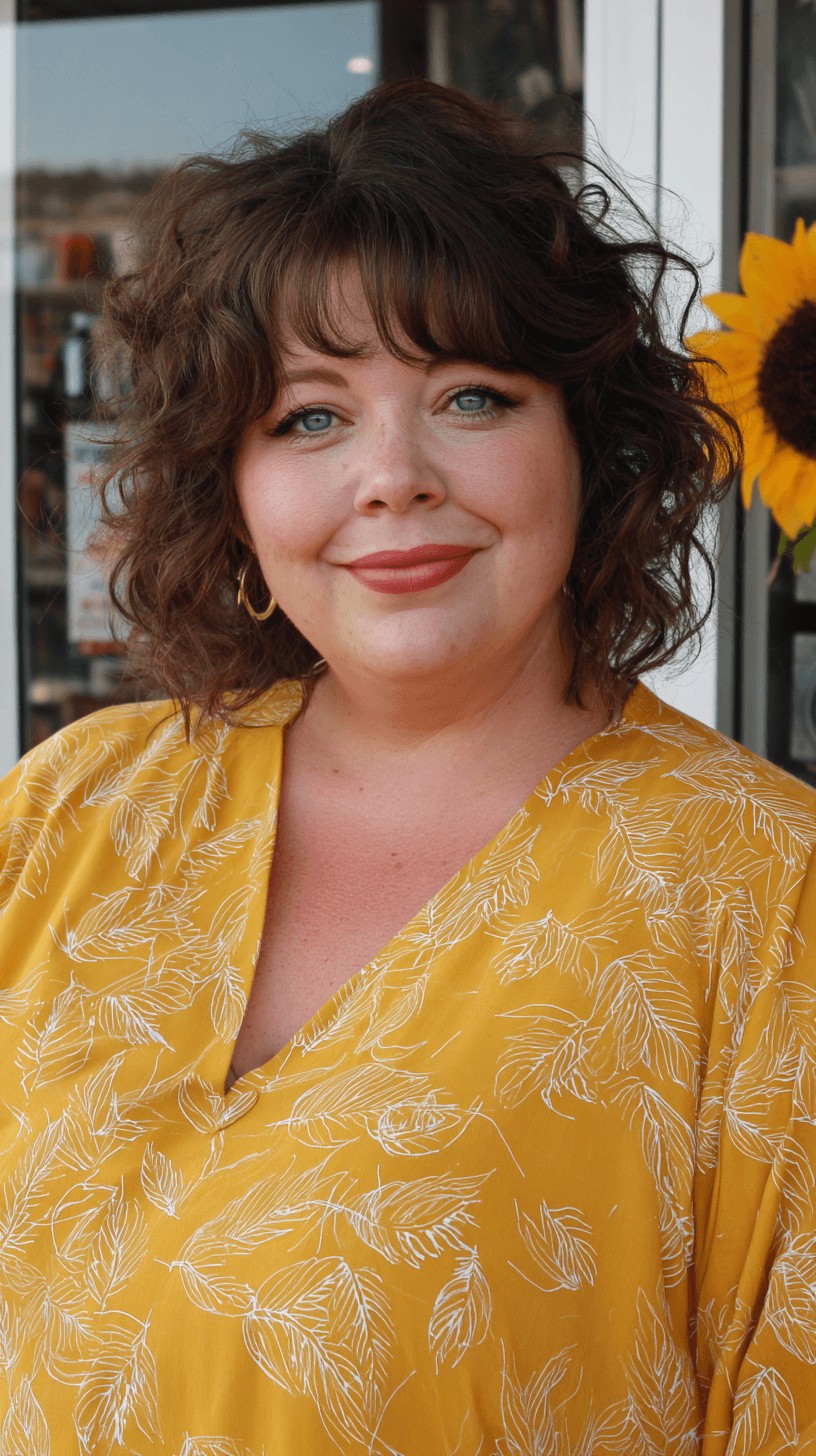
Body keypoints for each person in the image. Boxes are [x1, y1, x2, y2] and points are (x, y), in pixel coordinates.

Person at [1, 77, 814, 1456]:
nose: (392, 475)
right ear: (233, 486)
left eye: (473, 398)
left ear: (590, 448)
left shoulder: (761, 897)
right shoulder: (75, 807)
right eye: (309, 417)